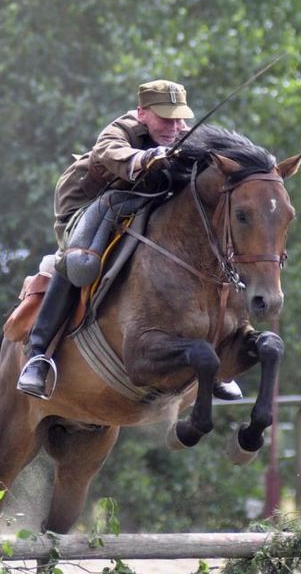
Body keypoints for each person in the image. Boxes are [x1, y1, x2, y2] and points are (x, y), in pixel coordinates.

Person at [16, 79, 243, 401]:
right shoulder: (120, 131)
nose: (175, 126)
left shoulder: (184, 133)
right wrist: (149, 157)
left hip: (145, 202)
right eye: (166, 118)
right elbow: (112, 151)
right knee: (78, 264)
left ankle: (214, 362)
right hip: (87, 205)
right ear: (142, 114)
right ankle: (38, 357)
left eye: (180, 118)